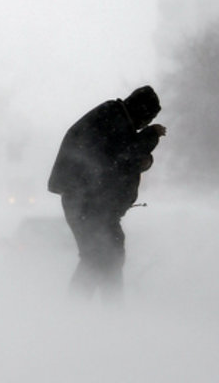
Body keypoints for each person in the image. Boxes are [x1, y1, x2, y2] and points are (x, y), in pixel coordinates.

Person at [47, 86, 165, 302]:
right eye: (147, 118)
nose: (145, 124)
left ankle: (94, 312)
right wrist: (151, 136)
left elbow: (118, 159)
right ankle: (97, 312)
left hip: (92, 203)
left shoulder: (114, 117)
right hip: (87, 202)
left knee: (105, 256)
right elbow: (124, 154)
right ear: (140, 110)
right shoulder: (114, 117)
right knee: (100, 256)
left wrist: (142, 160)